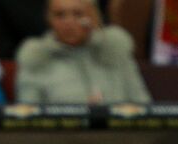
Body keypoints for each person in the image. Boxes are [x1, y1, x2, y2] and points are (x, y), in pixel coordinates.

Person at [15, 0, 150, 105]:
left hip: (121, 136)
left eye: (78, 14)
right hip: (60, 138)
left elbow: (143, 105)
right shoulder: (36, 60)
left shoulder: (115, 51)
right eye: (60, 15)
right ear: (49, 19)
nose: (68, 22)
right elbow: (28, 118)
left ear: (93, 16)